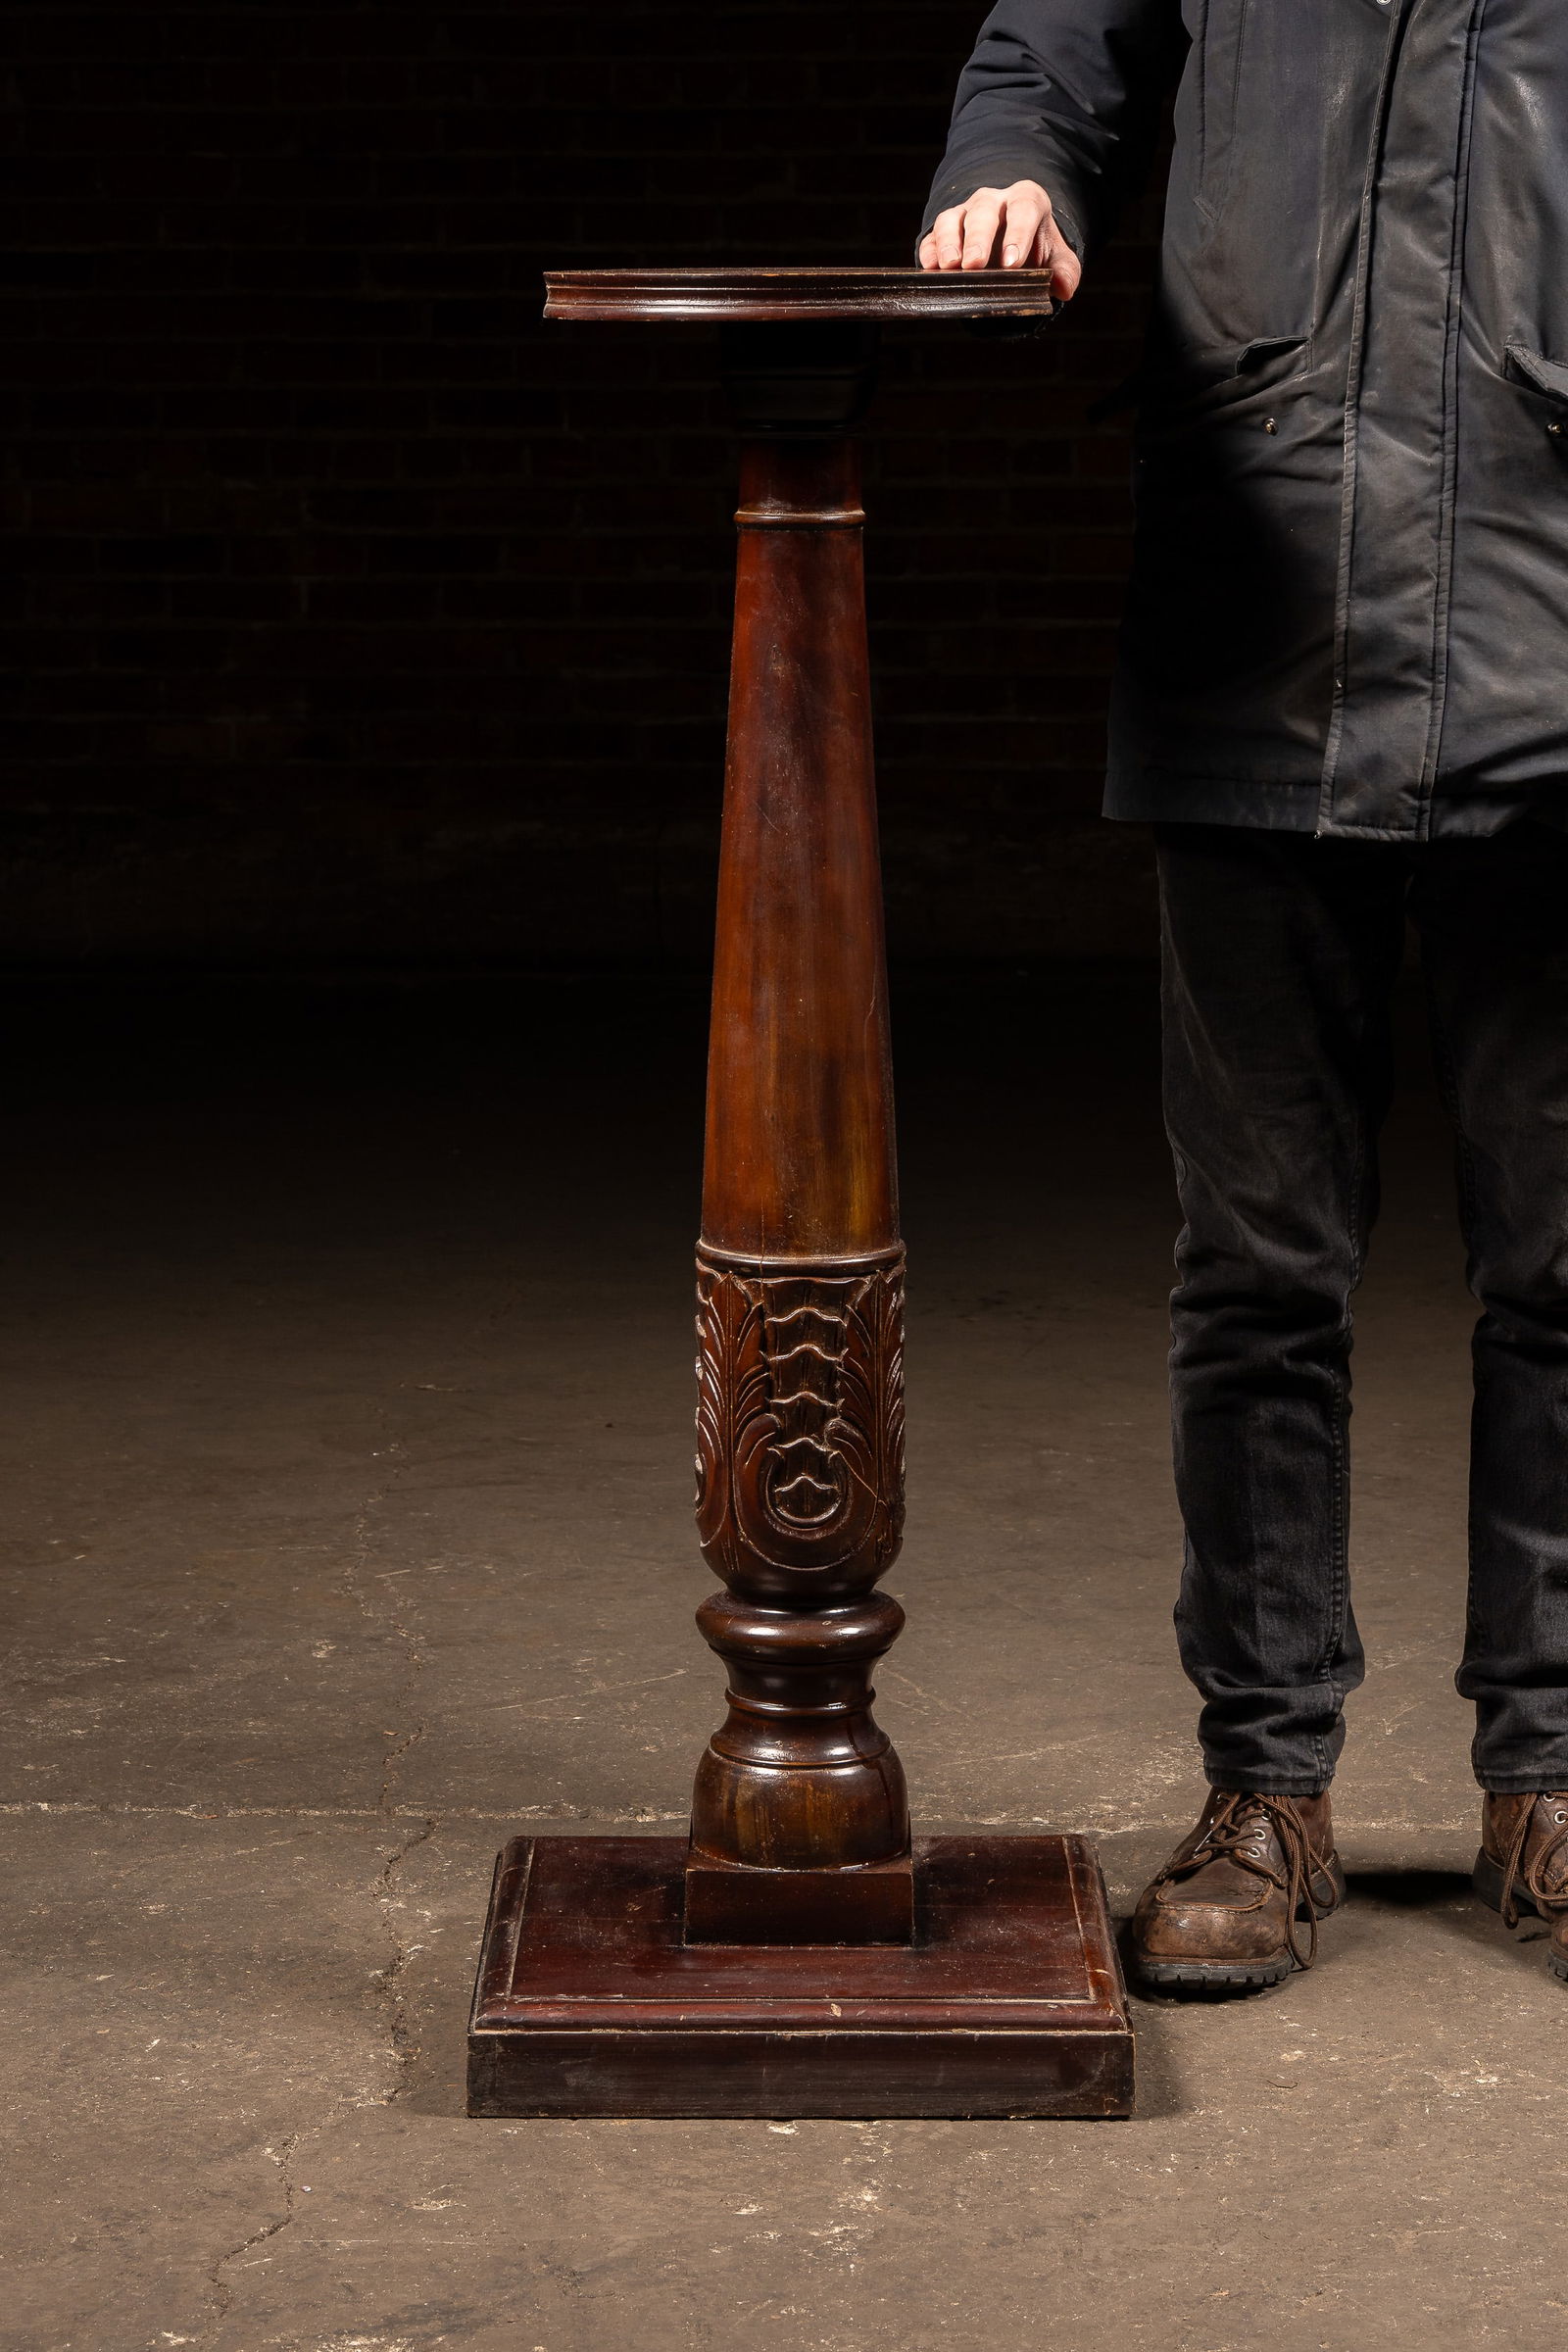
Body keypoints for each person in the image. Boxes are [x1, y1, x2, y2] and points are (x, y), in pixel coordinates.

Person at [920, 1, 1568, 1992]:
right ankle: (1261, 1787)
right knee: (1256, 1269)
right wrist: (1003, 176)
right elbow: (1049, 49)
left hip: (1555, 645)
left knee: (1564, 1263)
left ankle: (1548, 1771)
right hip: (1255, 637)